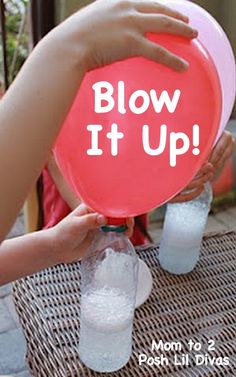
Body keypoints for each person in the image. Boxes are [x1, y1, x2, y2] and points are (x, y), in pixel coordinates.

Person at [0, 0, 198, 285]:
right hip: (72, 253)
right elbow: (77, 184)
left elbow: (155, 161)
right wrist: (65, 50)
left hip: (111, 243)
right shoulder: (63, 88)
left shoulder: (148, 85)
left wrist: (183, 172)